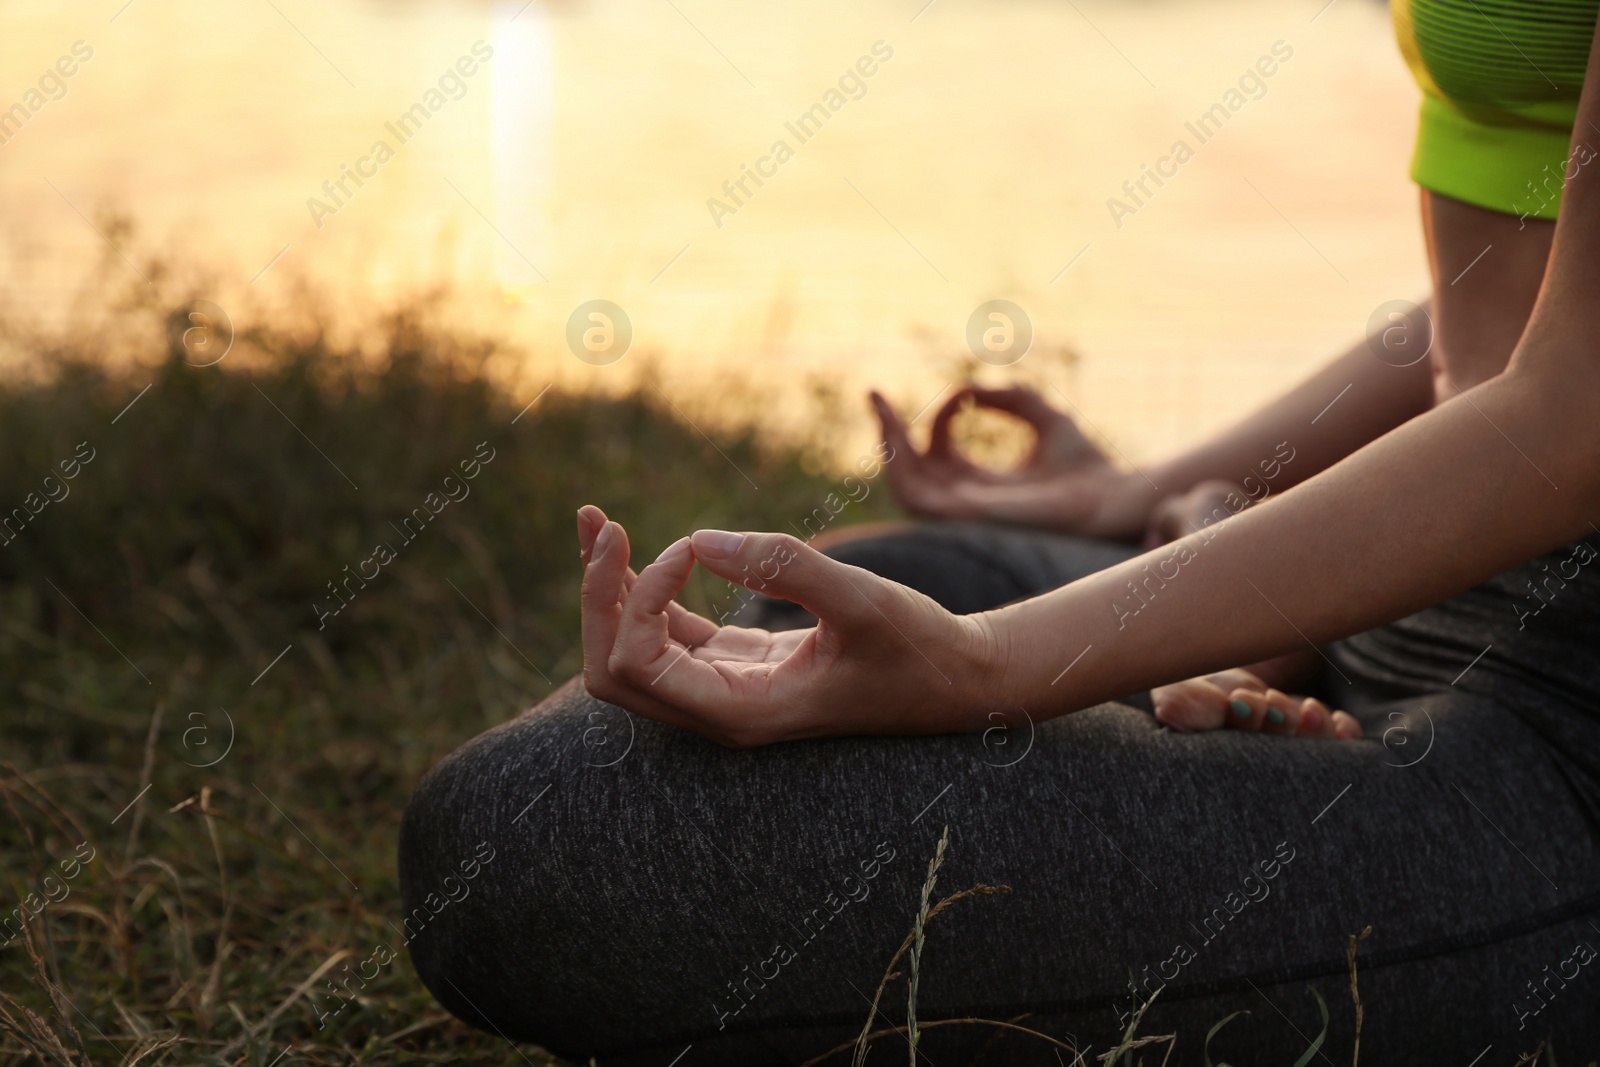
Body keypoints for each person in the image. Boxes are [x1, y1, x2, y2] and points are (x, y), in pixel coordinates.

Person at [400, 3, 1600, 1062]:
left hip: (1552, 729)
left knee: (534, 841)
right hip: (1390, 583)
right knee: (877, 584)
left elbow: (1571, 413)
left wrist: (980, 665)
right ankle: (1248, 685)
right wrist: (1145, 492)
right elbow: (1509, 291)